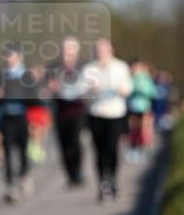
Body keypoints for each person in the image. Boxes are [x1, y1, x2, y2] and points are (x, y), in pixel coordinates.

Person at [82, 38, 133, 201]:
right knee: (99, 151)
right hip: (96, 114)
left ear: (111, 50)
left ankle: (113, 180)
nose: (101, 53)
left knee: (112, 149)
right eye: (98, 50)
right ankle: (102, 184)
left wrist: (123, 90)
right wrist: (91, 90)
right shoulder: (89, 69)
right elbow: (81, 91)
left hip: (115, 114)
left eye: (104, 50)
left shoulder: (121, 67)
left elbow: (128, 87)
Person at [0, 43, 33, 203]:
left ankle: (24, 175)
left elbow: (35, 98)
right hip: (6, 119)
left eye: (11, 55)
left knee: (23, 150)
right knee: (7, 151)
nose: (8, 59)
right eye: (6, 55)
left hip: (22, 118)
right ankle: (9, 184)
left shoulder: (27, 76)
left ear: (20, 57)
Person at [47, 36, 88, 187]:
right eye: (66, 49)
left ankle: (78, 171)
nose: (68, 53)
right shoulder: (53, 68)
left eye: (71, 49)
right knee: (63, 144)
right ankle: (70, 175)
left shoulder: (84, 67)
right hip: (60, 110)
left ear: (76, 51)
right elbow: (45, 89)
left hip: (78, 111)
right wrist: (51, 88)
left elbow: (88, 88)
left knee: (75, 142)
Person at [126, 59, 156, 162]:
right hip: (132, 108)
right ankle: (133, 148)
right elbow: (127, 90)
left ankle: (141, 149)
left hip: (144, 108)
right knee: (133, 129)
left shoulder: (146, 79)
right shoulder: (131, 78)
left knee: (143, 130)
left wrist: (142, 90)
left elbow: (152, 92)